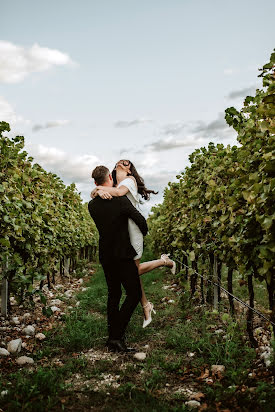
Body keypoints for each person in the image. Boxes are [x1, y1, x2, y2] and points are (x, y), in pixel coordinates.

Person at [91, 159, 176, 328]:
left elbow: (119, 194)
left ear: (129, 171)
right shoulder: (114, 187)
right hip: (125, 232)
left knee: (133, 271)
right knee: (132, 273)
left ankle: (163, 262)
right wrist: (99, 191)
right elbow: (112, 195)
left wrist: (98, 189)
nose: (120, 164)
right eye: (117, 164)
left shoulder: (129, 182)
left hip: (134, 231)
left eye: (125, 163)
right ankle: (146, 307)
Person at [88, 165, 148, 353]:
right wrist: (143, 233)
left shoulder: (92, 205)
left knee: (114, 295)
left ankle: (112, 337)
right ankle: (116, 335)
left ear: (96, 183)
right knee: (134, 294)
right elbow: (140, 220)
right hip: (123, 254)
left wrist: (98, 192)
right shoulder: (121, 201)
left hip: (106, 255)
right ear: (110, 180)